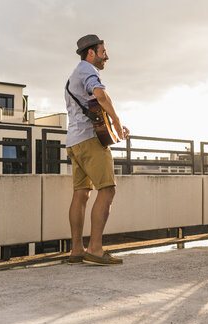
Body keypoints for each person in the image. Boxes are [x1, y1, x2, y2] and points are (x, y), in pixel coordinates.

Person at [65, 34, 130, 265]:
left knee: (81, 193)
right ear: (91, 53)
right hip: (90, 141)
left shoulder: (75, 74)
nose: (107, 57)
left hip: (73, 141)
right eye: (104, 52)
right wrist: (116, 120)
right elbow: (100, 95)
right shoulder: (88, 71)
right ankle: (95, 248)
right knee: (108, 189)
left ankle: (76, 250)